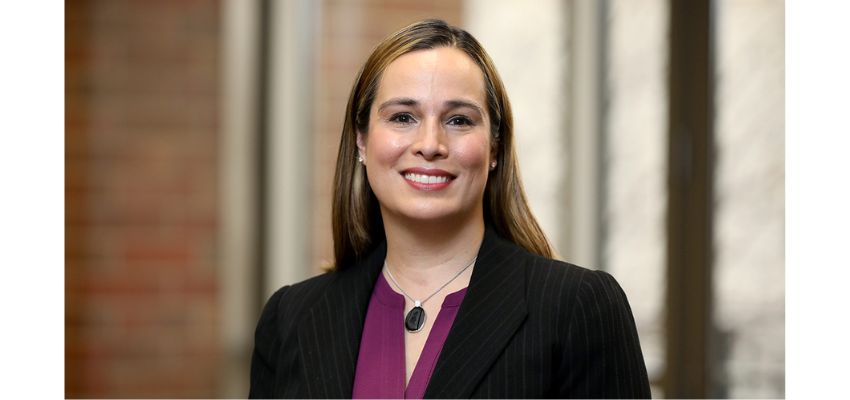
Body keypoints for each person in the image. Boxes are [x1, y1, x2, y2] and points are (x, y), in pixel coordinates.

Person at [250, 19, 650, 399]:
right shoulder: (292, 318)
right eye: (403, 117)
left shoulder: (578, 307)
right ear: (361, 140)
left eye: (459, 120)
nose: (430, 144)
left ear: (494, 148)